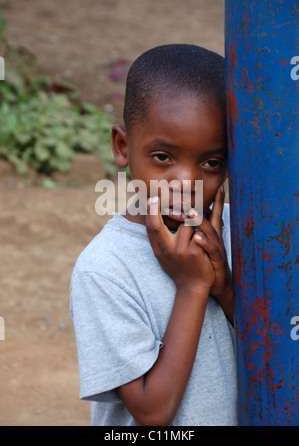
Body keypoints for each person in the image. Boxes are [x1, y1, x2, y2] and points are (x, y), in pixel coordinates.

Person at [70, 44, 238, 426]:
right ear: (123, 147)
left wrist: (225, 288)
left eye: (212, 162)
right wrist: (194, 287)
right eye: (163, 157)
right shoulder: (105, 269)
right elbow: (152, 411)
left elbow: (274, 347)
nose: (187, 182)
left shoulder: (241, 237)